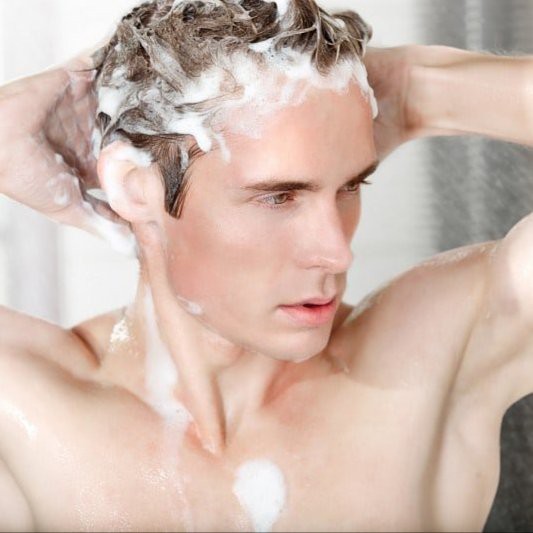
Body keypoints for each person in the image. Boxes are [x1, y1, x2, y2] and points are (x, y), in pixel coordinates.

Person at [0, 0, 532, 530]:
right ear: (136, 188)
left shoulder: (433, 360)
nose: (337, 251)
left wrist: (415, 91)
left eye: (350, 186)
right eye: (279, 197)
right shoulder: (28, 404)